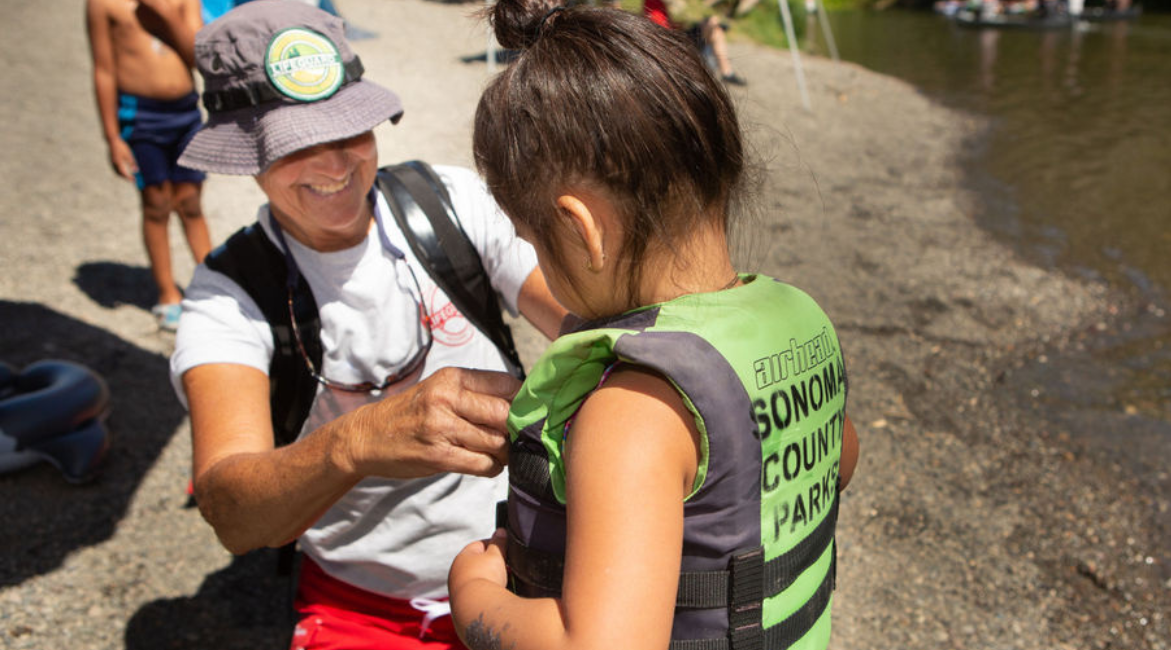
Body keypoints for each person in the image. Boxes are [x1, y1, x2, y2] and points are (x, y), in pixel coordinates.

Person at [447, 3, 860, 650]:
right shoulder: (798, 321)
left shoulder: (633, 409)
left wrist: (473, 597)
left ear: (582, 230)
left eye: (531, 239)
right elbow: (840, 458)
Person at [168, 2, 566, 648]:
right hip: (369, 608)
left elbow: (583, 317)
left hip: (532, 562)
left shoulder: (451, 200)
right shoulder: (228, 296)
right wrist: (354, 442)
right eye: (295, 145)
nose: (334, 166)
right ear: (247, 153)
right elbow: (230, 513)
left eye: (350, 131)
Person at [86, 0, 212, 331]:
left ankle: (214, 284)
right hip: (139, 117)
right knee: (156, 202)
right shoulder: (103, 4)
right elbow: (103, 69)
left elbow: (199, 59)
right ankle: (167, 292)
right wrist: (112, 137)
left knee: (191, 201)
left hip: (186, 113)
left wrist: (167, 15)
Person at [643, 0, 747, 86]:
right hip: (675, 41)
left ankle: (725, 72)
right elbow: (662, 32)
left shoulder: (658, 4)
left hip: (677, 36)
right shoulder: (653, 4)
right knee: (713, 27)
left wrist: (681, 24)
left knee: (714, 27)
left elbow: (668, 25)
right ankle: (726, 72)